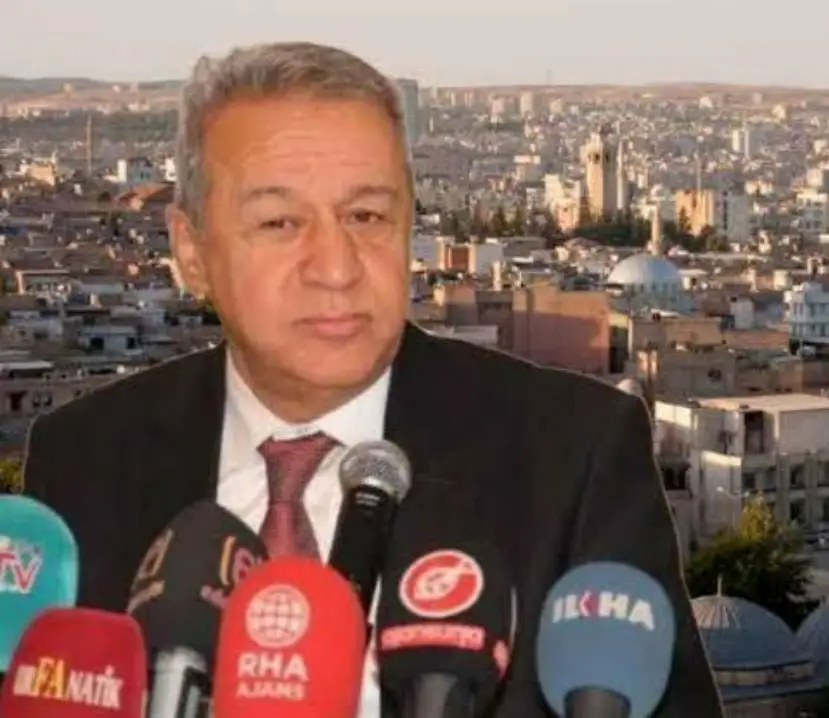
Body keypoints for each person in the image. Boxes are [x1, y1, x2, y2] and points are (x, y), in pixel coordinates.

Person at [21, 42, 723, 717]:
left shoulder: (573, 453)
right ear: (192, 250)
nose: (336, 266)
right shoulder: (85, 460)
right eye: (279, 222)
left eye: (366, 216)